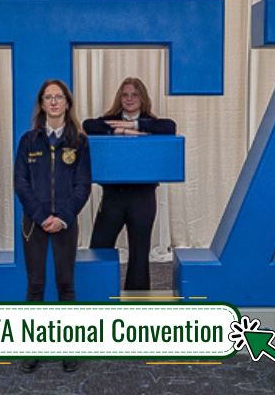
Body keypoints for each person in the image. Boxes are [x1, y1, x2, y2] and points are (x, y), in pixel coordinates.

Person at [14, 79, 91, 373]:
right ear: (42, 103)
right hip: (34, 222)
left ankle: (68, 348)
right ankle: (32, 349)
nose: (54, 102)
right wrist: (40, 215)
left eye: (59, 97)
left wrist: (64, 217)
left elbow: (83, 185)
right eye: (48, 97)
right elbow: (21, 183)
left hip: (65, 223)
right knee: (35, 285)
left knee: (65, 285)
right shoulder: (28, 140)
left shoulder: (79, 141)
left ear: (67, 103)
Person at [82, 77, 176, 290]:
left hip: (142, 198)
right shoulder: (110, 120)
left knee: (139, 254)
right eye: (125, 94)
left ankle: (137, 305)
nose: (129, 98)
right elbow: (88, 125)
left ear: (142, 98)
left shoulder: (152, 123)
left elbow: (170, 127)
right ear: (119, 98)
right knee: (99, 247)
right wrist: (121, 131)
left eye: (134, 94)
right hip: (114, 197)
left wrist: (135, 125)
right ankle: (96, 296)